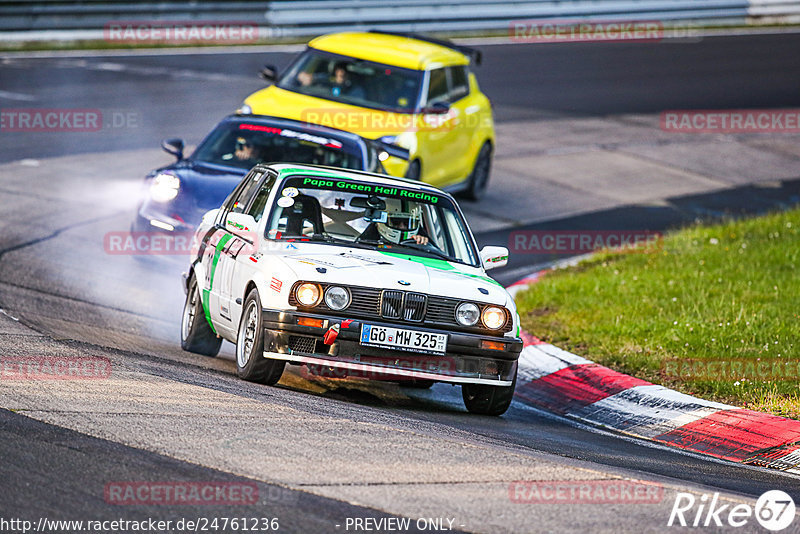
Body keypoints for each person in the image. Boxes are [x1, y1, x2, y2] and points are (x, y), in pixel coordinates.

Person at [358, 199, 428, 245]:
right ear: (382, 220)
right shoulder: (364, 243)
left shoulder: (420, 241)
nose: (402, 227)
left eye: (407, 223)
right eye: (396, 222)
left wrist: (423, 244)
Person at [297, 61, 365, 99]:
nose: (342, 72)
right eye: (339, 70)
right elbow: (303, 77)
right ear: (334, 71)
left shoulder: (355, 90)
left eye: (345, 70)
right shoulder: (324, 79)